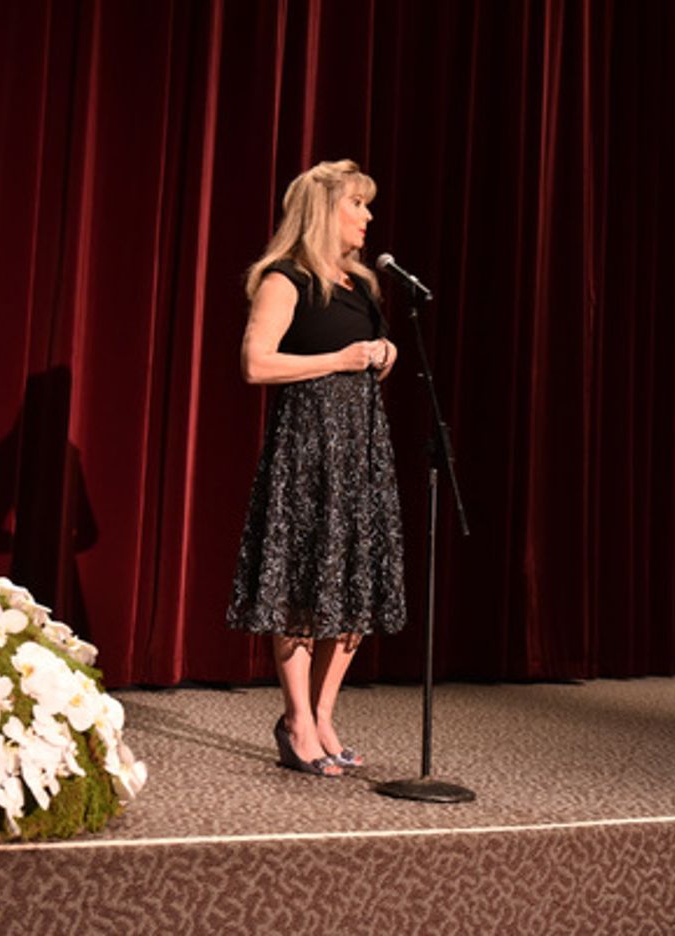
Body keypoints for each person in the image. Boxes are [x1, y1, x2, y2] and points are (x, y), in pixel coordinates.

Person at [227, 159, 408, 777]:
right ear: (324, 212)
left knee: (354, 581)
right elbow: (256, 364)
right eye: (357, 204)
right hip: (308, 448)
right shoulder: (286, 279)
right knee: (304, 581)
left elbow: (366, 358)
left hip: (362, 449)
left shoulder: (362, 284)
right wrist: (340, 356)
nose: (367, 216)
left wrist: (383, 353)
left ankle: (325, 714)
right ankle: (296, 720)